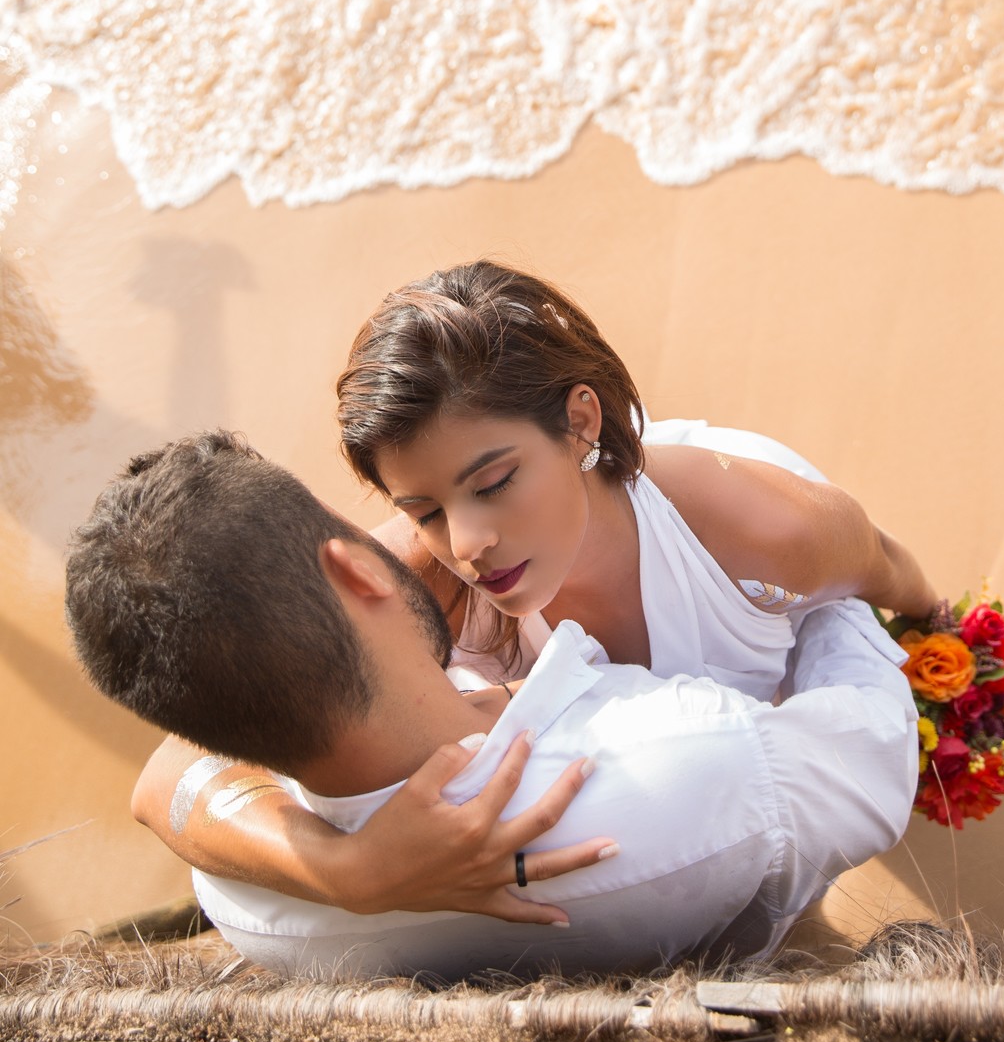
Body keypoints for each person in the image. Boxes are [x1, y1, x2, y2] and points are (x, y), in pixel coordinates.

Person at [131, 260, 936, 922]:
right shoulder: (424, 566)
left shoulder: (762, 529)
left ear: (581, 421)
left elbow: (888, 567)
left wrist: (943, 636)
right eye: (425, 508)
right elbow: (168, 774)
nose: (469, 544)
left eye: (495, 481)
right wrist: (348, 872)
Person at [66, 432, 917, 979]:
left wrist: (349, 874)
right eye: (370, 530)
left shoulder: (249, 898)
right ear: (359, 571)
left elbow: (167, 781)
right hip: (738, 953)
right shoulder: (698, 763)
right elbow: (877, 745)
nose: (405, 540)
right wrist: (823, 586)